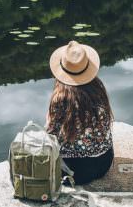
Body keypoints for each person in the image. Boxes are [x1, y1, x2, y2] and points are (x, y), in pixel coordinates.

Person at [46, 40, 114, 185]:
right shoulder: (98, 89)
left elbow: (51, 136)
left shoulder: (61, 99)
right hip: (104, 163)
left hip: (75, 171)